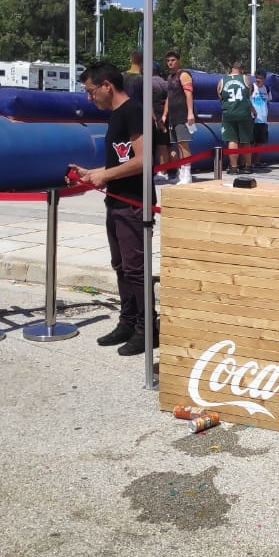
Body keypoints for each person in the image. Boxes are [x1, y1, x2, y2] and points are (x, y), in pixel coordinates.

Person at [69, 62, 153, 357]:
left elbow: (144, 160)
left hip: (134, 204)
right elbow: (120, 162)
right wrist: (93, 172)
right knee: (121, 267)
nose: (90, 98)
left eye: (91, 91)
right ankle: (128, 321)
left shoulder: (134, 112)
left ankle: (146, 328)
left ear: (107, 85)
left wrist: (105, 175)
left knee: (135, 269)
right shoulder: (116, 116)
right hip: (116, 201)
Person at [162, 51, 196, 183]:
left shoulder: (184, 75)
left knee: (184, 144)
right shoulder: (170, 77)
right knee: (177, 145)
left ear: (178, 60)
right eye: (168, 61)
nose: (170, 63)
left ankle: (187, 174)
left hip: (183, 115)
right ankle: (181, 172)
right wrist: (165, 114)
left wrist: (190, 113)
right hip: (173, 116)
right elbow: (169, 98)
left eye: (173, 60)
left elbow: (189, 94)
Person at [218, 61, 255, 174]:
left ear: (231, 69)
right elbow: (248, 96)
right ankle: (248, 166)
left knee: (232, 140)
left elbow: (220, 98)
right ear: (242, 70)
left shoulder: (222, 81)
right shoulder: (245, 79)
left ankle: (234, 167)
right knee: (245, 140)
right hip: (243, 112)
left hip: (229, 113)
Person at [251, 70, 271, 169]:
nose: (258, 80)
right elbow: (248, 101)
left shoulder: (266, 89)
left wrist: (266, 114)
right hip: (253, 119)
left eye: (260, 78)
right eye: (257, 78)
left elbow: (268, 102)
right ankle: (248, 162)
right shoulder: (251, 87)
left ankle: (257, 161)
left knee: (260, 142)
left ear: (264, 79)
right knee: (251, 142)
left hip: (263, 119)